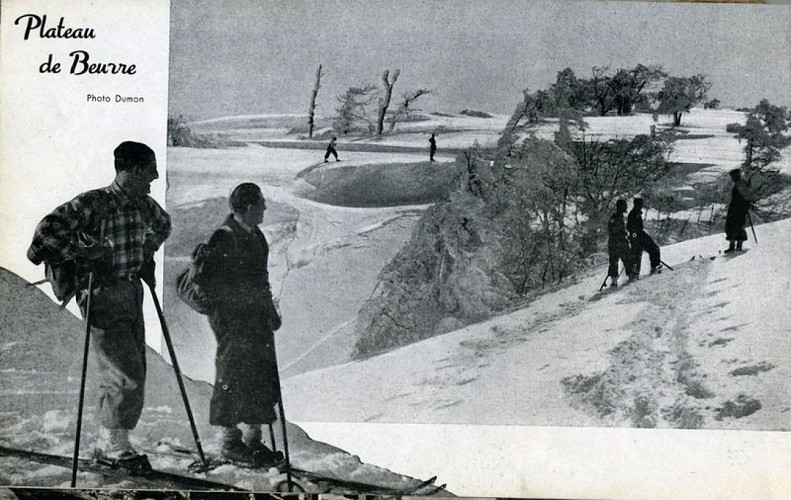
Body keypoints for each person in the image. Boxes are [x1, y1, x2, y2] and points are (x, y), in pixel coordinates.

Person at [27, 141, 171, 460]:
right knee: (125, 372)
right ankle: (112, 446)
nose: (155, 177)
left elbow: (164, 226)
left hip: (132, 293)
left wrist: (145, 252)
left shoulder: (144, 206)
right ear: (132, 171)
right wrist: (81, 253)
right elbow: (43, 236)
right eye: (149, 171)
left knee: (133, 370)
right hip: (101, 294)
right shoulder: (93, 203)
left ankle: (110, 437)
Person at [201, 183, 283, 466]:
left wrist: (268, 311)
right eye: (261, 204)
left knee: (260, 373)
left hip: (255, 318)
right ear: (248, 207)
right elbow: (213, 286)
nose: (265, 209)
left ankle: (253, 440)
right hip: (233, 321)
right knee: (233, 375)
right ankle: (229, 443)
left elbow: (261, 279)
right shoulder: (224, 238)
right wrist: (238, 311)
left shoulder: (256, 235)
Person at [627, 198, 661, 275]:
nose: (641, 206)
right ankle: (654, 267)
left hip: (638, 236)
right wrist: (635, 234)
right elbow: (630, 227)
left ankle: (635, 273)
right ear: (636, 204)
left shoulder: (635, 213)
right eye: (640, 204)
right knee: (653, 249)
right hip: (638, 236)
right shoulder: (634, 214)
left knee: (638, 255)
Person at [724, 168, 754, 253]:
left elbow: (746, 197)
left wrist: (745, 206)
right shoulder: (740, 183)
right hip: (737, 208)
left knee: (735, 226)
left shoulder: (740, 184)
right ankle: (735, 246)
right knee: (734, 226)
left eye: (733, 176)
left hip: (738, 209)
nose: (732, 178)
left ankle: (735, 246)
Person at [607, 199, 635, 287]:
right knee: (626, 259)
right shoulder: (616, 217)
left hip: (614, 242)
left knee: (614, 261)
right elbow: (613, 230)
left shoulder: (616, 217)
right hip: (619, 241)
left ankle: (614, 280)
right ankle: (629, 276)